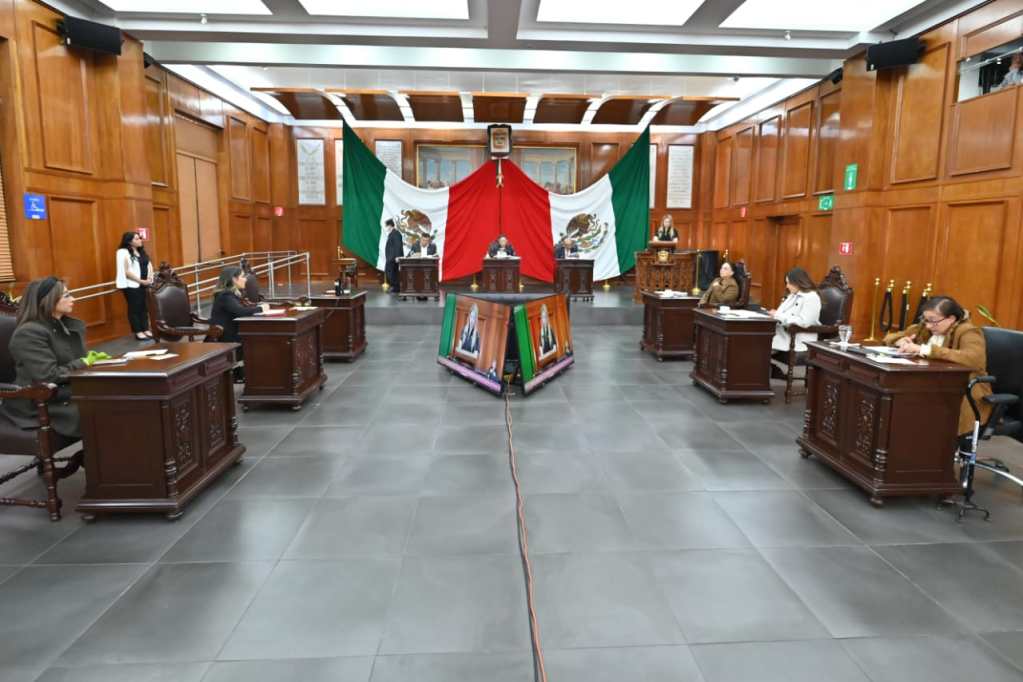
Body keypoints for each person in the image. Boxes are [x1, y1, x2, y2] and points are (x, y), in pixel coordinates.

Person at [884, 296, 991, 435]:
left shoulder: (968, 331)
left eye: (933, 321)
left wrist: (926, 349)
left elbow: (973, 359)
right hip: (931, 384)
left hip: (964, 391)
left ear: (951, 319)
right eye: (926, 320)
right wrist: (899, 341)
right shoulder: (925, 327)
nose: (928, 325)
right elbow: (889, 337)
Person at [4, 277, 93, 439]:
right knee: (108, 409)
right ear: (48, 300)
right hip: (40, 401)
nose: (73, 299)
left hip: (65, 391)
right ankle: (102, 460)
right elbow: (48, 376)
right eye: (66, 295)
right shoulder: (29, 333)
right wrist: (83, 363)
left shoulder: (64, 325)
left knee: (118, 398)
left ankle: (102, 459)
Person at [768, 267, 822, 378]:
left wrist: (778, 316)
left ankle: (766, 375)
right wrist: (774, 314)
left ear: (798, 282)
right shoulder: (792, 295)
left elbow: (804, 322)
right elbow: (781, 313)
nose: (786, 286)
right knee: (754, 342)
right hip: (783, 334)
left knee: (757, 345)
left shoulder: (812, 297)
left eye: (788, 283)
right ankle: (767, 373)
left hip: (797, 338)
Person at [208, 266, 269, 345]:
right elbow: (240, 311)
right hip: (228, 339)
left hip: (234, 333)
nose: (245, 279)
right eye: (242, 276)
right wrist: (261, 308)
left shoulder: (229, 294)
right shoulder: (225, 295)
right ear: (234, 279)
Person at [115, 231, 152, 340]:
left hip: (145, 284)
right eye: (136, 239)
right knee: (134, 309)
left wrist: (149, 278)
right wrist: (141, 281)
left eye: (140, 238)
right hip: (132, 285)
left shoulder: (141, 251)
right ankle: (138, 331)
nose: (140, 240)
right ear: (129, 241)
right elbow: (125, 271)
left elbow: (148, 265)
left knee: (144, 308)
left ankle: (146, 329)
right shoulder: (123, 252)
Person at [384, 218, 404, 292]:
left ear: (390, 225)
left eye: (386, 226)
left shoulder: (396, 234)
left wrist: (397, 256)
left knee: (390, 272)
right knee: (393, 272)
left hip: (393, 258)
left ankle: (396, 286)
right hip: (391, 257)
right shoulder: (392, 233)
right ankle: (396, 287)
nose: (386, 228)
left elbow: (398, 245)